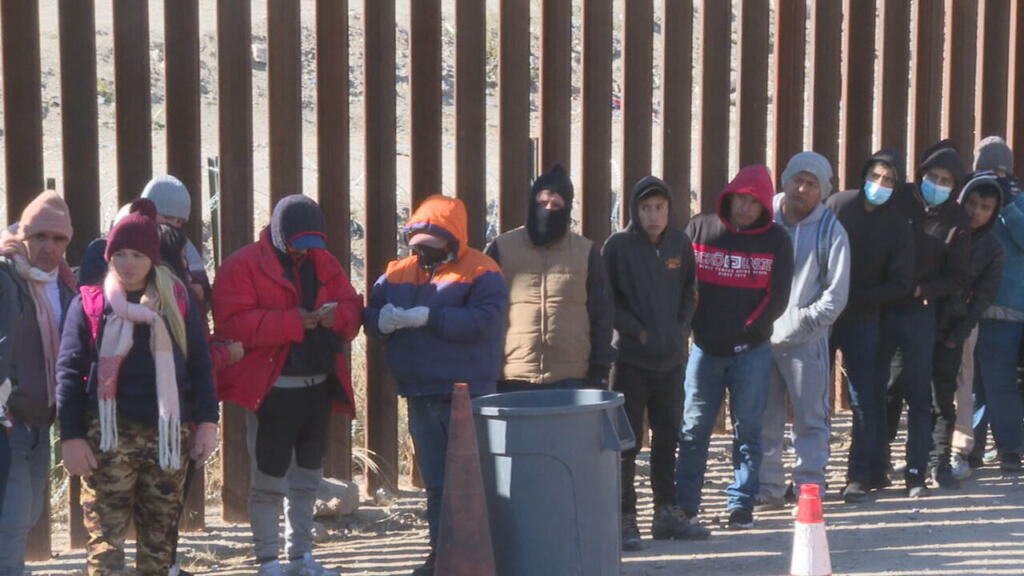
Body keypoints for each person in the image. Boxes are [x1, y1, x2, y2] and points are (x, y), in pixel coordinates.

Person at [56, 198, 219, 575]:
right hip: (108, 440)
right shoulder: (90, 305)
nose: (128, 264)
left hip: (166, 440)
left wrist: (207, 423)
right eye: (121, 254)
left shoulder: (176, 302)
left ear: (153, 259)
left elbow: (199, 363)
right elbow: (68, 371)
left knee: (159, 544)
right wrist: (71, 437)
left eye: (137, 255)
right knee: (104, 545)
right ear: (109, 255)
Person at [212, 195, 362, 576]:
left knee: (308, 479)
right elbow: (233, 326)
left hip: (316, 387)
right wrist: (295, 322)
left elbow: (352, 309)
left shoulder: (323, 262)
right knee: (268, 481)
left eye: (313, 244)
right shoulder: (242, 266)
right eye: (299, 243)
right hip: (271, 390)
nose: (305, 252)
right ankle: (269, 562)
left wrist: (334, 318)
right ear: (280, 235)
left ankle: (302, 558)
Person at [364, 195, 508, 576]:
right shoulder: (397, 273)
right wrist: (383, 320)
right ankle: (441, 554)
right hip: (421, 392)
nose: (423, 255)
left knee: (477, 479)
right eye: (417, 247)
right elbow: (372, 312)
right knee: (438, 482)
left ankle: (484, 555)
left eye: (432, 247)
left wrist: (430, 316)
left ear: (453, 240)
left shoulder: (482, 270)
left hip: (469, 392)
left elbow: (486, 321)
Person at [674, 165, 794, 531]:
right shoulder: (700, 228)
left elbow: (778, 296)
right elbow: (682, 284)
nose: (744, 208)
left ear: (764, 206)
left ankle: (741, 503)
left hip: (751, 352)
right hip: (705, 350)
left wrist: (748, 329)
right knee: (694, 430)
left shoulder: (777, 240)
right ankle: (685, 505)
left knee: (748, 431)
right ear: (729, 196)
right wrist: (694, 327)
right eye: (740, 199)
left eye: (753, 202)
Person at [602, 176, 703, 549]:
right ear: (635, 210)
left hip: (671, 361)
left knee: (667, 437)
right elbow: (606, 299)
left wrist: (680, 329)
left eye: (659, 207)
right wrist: (637, 332)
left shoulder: (680, 243)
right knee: (627, 443)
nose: (653, 215)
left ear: (669, 209)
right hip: (629, 361)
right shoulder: (618, 247)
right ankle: (625, 517)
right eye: (646, 208)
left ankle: (666, 512)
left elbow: (690, 292)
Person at [760, 152, 850, 509]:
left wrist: (801, 322)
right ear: (785, 180)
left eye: (812, 183)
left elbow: (835, 296)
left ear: (824, 190)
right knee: (763, 418)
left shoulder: (832, 231)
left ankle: (809, 490)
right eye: (797, 179)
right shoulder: (762, 218)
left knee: (810, 419)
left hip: (806, 343)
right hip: (760, 339)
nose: (802, 188)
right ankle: (766, 489)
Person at [883, 139, 971, 498]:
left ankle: (919, 470)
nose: (937, 184)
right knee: (885, 389)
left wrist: (924, 290)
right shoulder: (899, 199)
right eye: (932, 176)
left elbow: (959, 276)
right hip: (884, 306)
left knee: (922, 393)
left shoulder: (956, 219)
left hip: (923, 311)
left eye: (946, 180)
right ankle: (876, 463)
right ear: (920, 175)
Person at [826, 149, 914, 503]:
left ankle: (859, 475)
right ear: (864, 174)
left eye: (889, 180)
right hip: (825, 315)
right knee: (814, 399)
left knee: (865, 398)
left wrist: (861, 297)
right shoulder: (838, 206)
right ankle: (809, 476)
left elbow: (901, 282)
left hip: (865, 318)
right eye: (875, 176)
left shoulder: (897, 224)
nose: (880, 185)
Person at [0, 191, 78, 575]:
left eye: (58, 239)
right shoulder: (4, 275)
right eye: (39, 237)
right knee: (12, 517)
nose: (48, 247)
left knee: (28, 512)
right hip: (8, 417)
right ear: (24, 235)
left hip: (40, 419)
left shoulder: (64, 285)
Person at [485, 164, 615, 391]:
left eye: (556, 205)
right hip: (512, 376)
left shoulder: (585, 252)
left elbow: (602, 315)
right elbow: (484, 310)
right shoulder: (502, 248)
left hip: (571, 378)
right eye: (542, 203)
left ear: (566, 208)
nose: (548, 209)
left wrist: (599, 370)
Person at [931, 173, 1005, 487]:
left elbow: (984, 297)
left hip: (962, 323)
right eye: (972, 203)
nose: (976, 212)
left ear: (993, 213)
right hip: (926, 316)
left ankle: (958, 451)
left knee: (961, 386)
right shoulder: (942, 228)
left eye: (985, 207)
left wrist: (960, 330)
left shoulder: (992, 248)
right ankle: (924, 450)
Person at [971, 136, 1024, 472]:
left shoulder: (1017, 205)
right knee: (971, 384)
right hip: (969, 309)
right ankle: (970, 449)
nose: (993, 179)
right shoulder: (969, 200)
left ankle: (1009, 450)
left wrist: (1007, 205)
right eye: (986, 171)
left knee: (1000, 381)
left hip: (1007, 311)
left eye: (999, 173)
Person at [142, 175, 211, 305]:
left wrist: (197, 290)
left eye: (178, 221)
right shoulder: (127, 241)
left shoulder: (184, 246)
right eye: (166, 217)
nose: (172, 224)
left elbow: (202, 287)